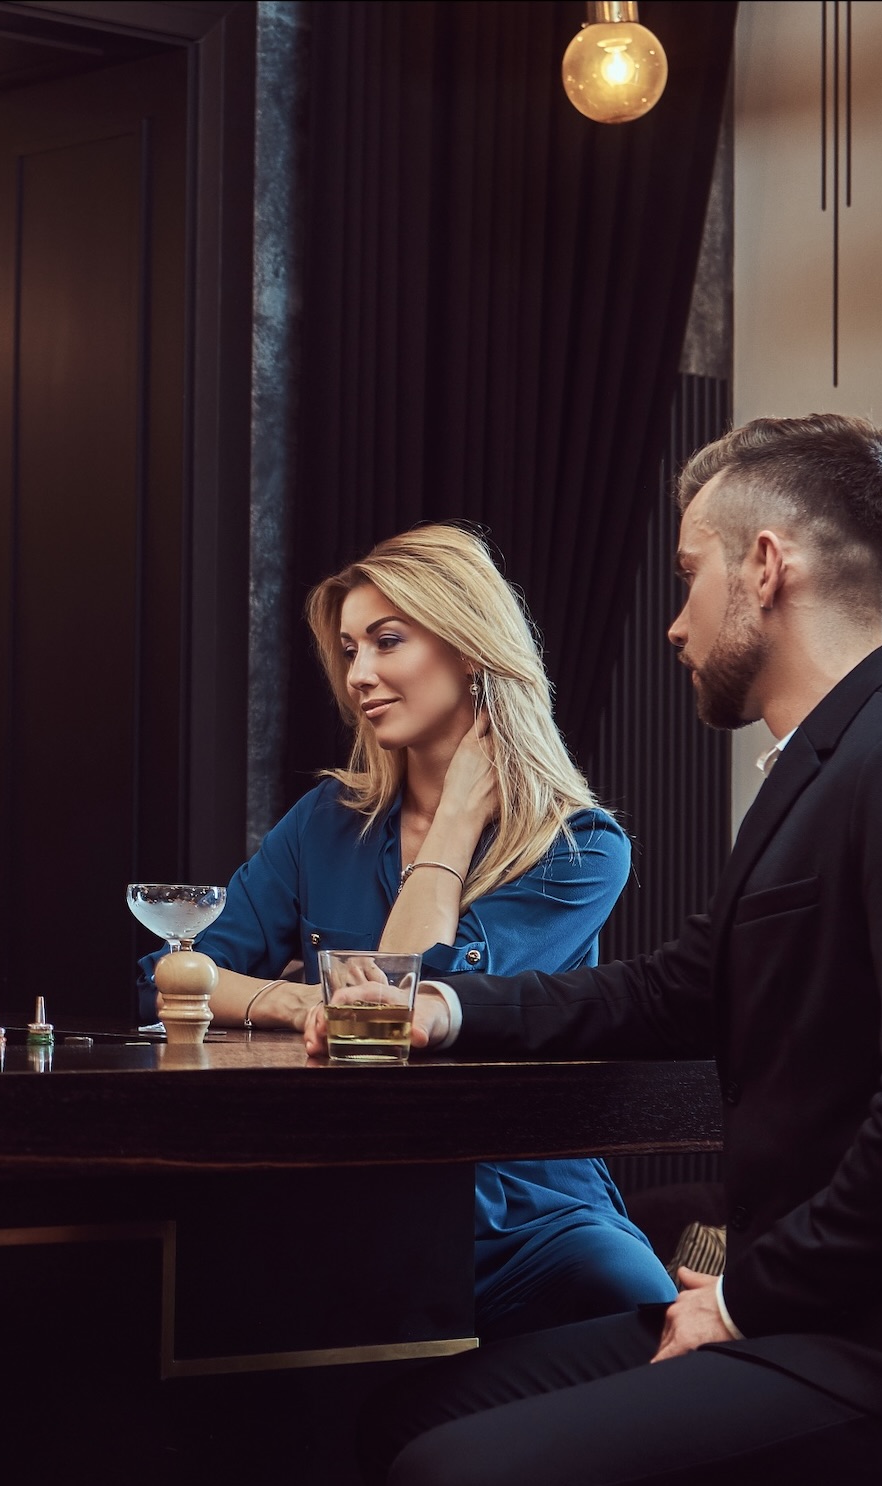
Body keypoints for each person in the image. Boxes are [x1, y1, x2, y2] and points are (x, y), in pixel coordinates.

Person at [316, 415, 882, 1486]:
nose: (675, 624)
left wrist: (740, 1297)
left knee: (453, 1474)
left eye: (688, 577)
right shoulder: (809, 771)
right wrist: (442, 1009)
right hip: (812, 1317)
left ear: (765, 568)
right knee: (409, 1418)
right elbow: (675, 988)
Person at [144, 523, 673, 1338]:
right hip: (348, 1190)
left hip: (525, 1214)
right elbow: (177, 972)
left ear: (468, 649)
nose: (359, 674)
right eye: (350, 648)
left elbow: (407, 1002)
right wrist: (294, 1005)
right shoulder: (325, 819)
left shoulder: (582, 849)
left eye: (387, 641)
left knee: (640, 1312)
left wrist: (458, 818)